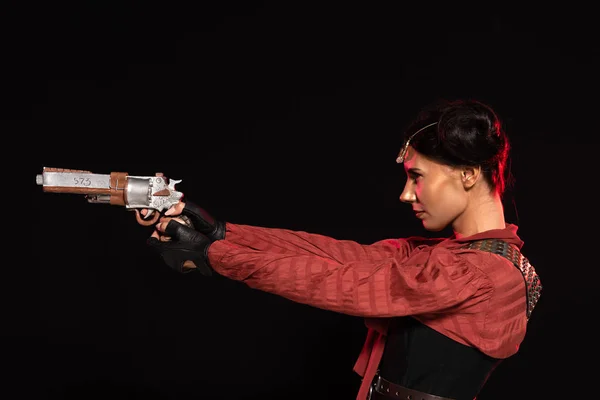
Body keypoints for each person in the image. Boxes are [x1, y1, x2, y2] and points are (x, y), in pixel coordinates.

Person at [145, 98, 542, 400]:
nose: (406, 194)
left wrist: (215, 256)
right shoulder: (452, 257)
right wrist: (221, 232)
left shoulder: (481, 274)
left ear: (470, 175)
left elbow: (338, 283)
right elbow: (335, 256)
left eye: (417, 177)